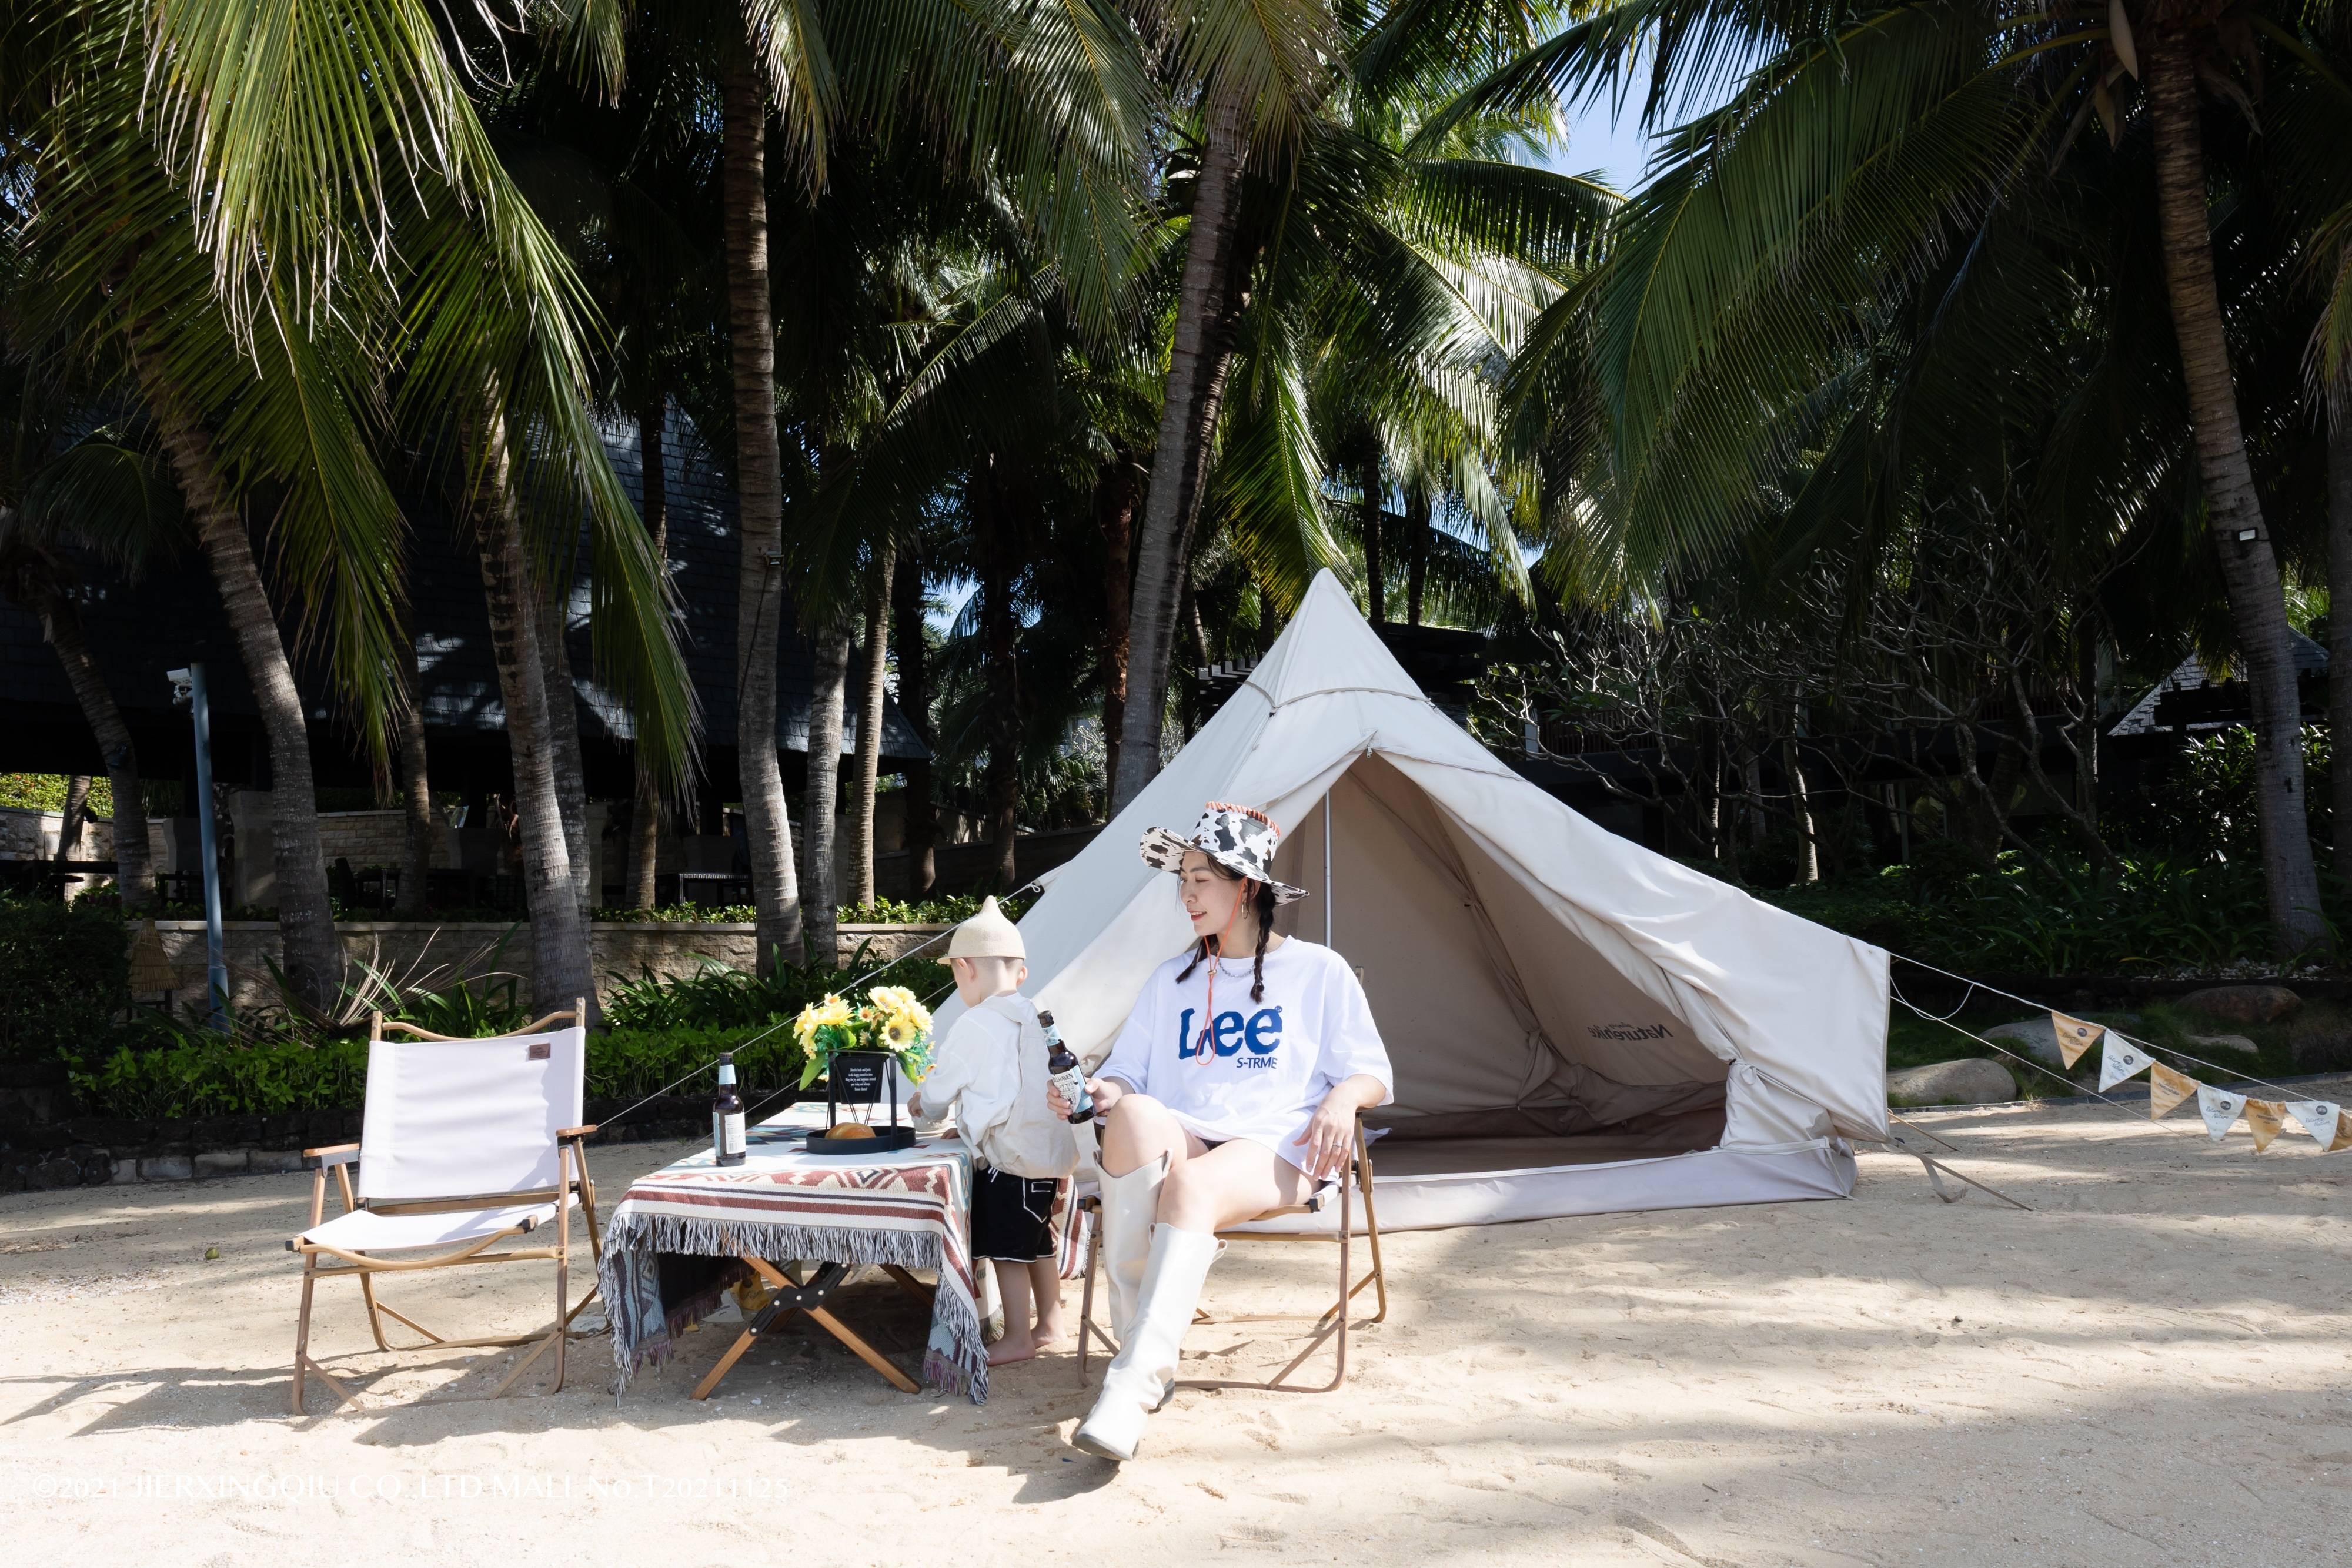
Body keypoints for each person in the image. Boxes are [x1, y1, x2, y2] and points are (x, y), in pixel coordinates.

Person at [1051, 802, 1392, 1461]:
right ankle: (1144, 1351)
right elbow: (1126, 1074)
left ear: (1249, 887)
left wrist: (1342, 1102)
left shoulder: (1319, 971)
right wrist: (1101, 1090)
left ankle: (1133, 1384)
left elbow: (1372, 1071)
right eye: (1182, 879)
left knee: (1191, 1190)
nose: (1185, 894)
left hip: (1279, 1142)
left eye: (1200, 879)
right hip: (1187, 1133)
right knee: (1130, 1116)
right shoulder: (1171, 980)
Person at [909, 896, 1078, 1366]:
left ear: (965, 968)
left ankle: (1018, 1337)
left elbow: (941, 1094)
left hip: (1009, 1157)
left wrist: (923, 1103)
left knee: (1008, 1249)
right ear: (1020, 973)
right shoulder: (1039, 1014)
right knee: (1038, 1239)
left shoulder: (974, 1023)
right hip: (1048, 1154)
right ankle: (1050, 1322)